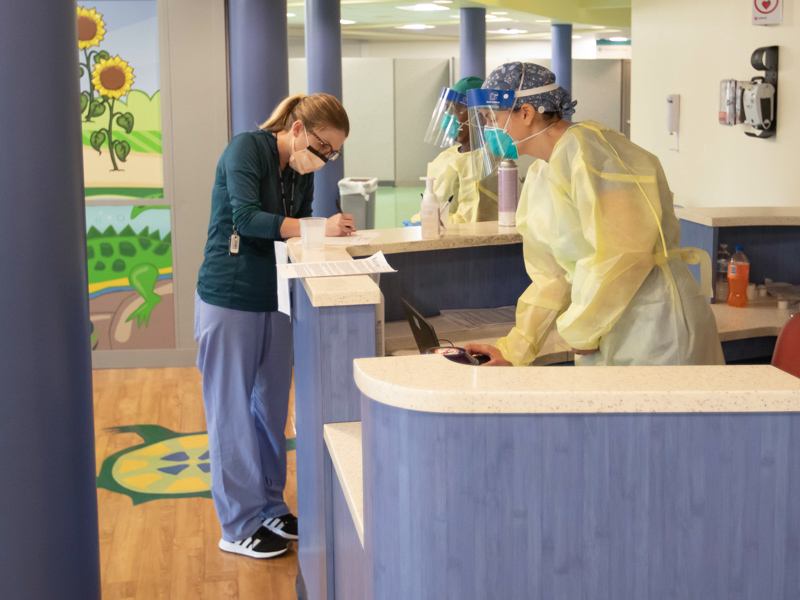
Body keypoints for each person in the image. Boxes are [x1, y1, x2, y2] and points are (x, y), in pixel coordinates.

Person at [466, 62, 724, 367]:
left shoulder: (589, 151)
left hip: (656, 323)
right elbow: (552, 277)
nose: (488, 131)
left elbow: (625, 253)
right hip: (602, 326)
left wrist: (583, 327)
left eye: (492, 119)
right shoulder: (540, 174)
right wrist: (514, 350)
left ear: (525, 113)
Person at [194, 93, 354, 559]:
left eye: (333, 154)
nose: (325, 160)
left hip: (275, 298)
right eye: (324, 148)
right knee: (231, 410)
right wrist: (315, 229)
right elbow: (246, 218)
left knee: (269, 407)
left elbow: (298, 222)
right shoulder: (247, 149)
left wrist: (318, 230)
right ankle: (237, 523)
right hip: (230, 296)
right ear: (299, 129)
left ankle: (269, 504)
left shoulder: (296, 171)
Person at [410, 76, 499, 224]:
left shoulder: (483, 161)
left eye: (456, 110)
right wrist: (422, 219)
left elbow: (469, 220)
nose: (449, 118)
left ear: (480, 117)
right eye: (447, 111)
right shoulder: (448, 155)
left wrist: (429, 223)